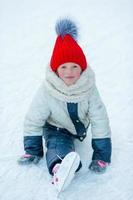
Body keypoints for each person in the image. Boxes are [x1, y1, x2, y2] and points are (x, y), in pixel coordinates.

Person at [18, 18, 112, 192]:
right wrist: (32, 150)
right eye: (63, 67)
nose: (69, 72)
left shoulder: (89, 88)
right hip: (56, 128)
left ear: (82, 68)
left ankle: (66, 162)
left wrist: (101, 155)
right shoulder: (47, 90)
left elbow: (100, 120)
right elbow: (34, 117)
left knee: (94, 124)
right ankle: (60, 167)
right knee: (57, 145)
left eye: (75, 66)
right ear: (55, 69)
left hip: (78, 129)